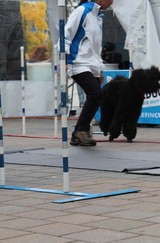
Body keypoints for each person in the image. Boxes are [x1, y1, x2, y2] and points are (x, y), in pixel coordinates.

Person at [64, 0, 113, 146]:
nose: (112, 1)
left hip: (92, 64)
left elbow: (96, 47)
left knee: (97, 96)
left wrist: (99, 69)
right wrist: (64, 58)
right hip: (78, 62)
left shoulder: (98, 17)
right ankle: (81, 130)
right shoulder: (82, 11)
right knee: (95, 93)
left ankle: (78, 133)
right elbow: (67, 33)